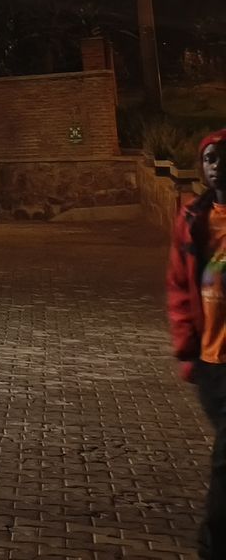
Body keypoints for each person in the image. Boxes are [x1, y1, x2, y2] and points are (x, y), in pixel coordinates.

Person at [171, 129, 226, 557]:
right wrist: (188, 351)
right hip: (212, 360)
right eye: (209, 158)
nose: (217, 165)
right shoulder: (193, 218)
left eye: (223, 156)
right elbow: (178, 288)